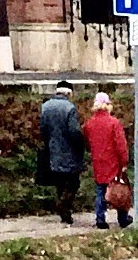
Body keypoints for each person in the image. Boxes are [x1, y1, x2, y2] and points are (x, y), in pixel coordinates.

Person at [37, 80, 87, 223]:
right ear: (69, 93)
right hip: (69, 151)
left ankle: (65, 215)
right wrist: (81, 145)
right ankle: (63, 206)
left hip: (52, 150)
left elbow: (43, 129)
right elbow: (74, 131)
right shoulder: (70, 108)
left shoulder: (46, 107)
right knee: (73, 183)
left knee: (59, 182)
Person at [85, 90, 132, 229]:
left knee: (101, 190)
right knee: (119, 190)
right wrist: (124, 161)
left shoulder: (89, 124)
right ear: (107, 105)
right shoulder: (114, 123)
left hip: (98, 161)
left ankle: (100, 219)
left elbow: (87, 143)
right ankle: (123, 218)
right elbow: (121, 144)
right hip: (113, 162)